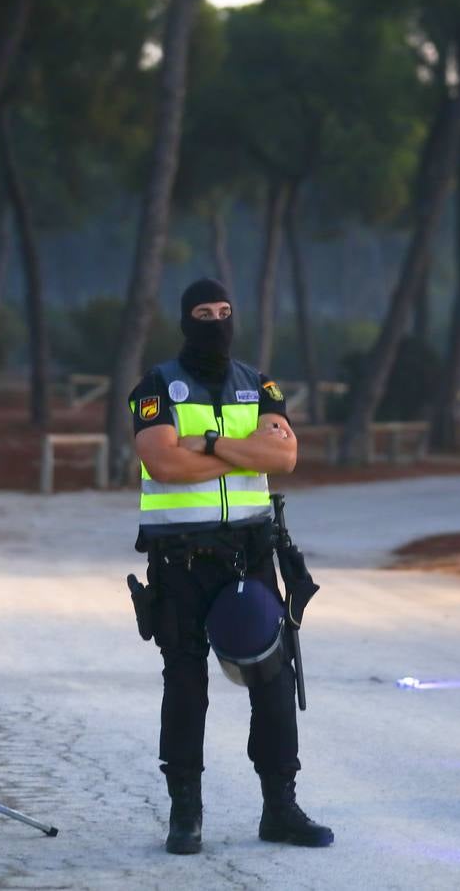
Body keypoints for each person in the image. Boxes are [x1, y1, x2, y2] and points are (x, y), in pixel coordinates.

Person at [127, 277, 333, 854]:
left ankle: (280, 808)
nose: (216, 321)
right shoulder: (156, 385)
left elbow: (285, 455)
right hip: (181, 557)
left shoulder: (259, 383)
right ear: (186, 320)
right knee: (187, 683)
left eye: (225, 311)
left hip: (251, 553)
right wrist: (241, 450)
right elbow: (161, 462)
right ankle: (185, 813)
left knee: (272, 678)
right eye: (204, 312)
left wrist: (208, 444)